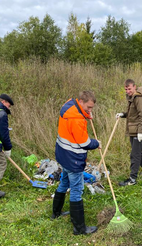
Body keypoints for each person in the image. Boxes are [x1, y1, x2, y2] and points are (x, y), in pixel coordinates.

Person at [52, 91, 101, 235]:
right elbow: (84, 142)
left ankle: (56, 213)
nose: (90, 110)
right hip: (73, 159)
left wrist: (86, 115)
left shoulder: (68, 106)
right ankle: (79, 228)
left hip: (63, 155)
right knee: (76, 191)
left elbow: (79, 115)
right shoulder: (77, 119)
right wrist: (96, 143)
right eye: (89, 107)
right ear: (81, 101)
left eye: (92, 108)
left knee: (64, 183)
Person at [116, 79, 142, 186]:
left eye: (129, 89)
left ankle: (132, 179)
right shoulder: (132, 98)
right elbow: (132, 113)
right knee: (138, 152)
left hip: (138, 131)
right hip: (133, 130)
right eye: (126, 89)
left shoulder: (139, 98)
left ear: (134, 87)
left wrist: (141, 132)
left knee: (134, 154)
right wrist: (123, 114)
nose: (127, 91)